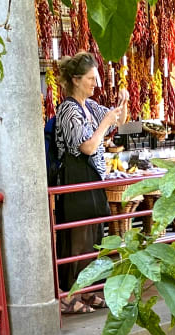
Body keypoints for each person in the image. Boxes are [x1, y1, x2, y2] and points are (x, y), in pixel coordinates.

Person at [54, 52, 128, 313]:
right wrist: (104, 125)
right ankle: (70, 295)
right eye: (90, 79)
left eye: (95, 78)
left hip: (93, 178)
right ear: (75, 80)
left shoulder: (91, 106)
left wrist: (123, 102)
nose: (94, 84)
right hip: (76, 179)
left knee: (94, 237)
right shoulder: (68, 109)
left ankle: (88, 291)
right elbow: (87, 146)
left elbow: (118, 120)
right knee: (78, 238)